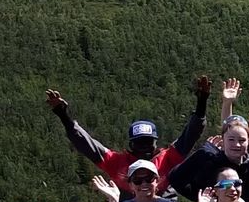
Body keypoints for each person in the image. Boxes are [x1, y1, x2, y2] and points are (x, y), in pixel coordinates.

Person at [44, 76, 210, 195]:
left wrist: (202, 103)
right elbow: (85, 143)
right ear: (131, 144)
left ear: (155, 142)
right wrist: (63, 116)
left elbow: (191, 134)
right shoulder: (116, 162)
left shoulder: (168, 158)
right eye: (139, 143)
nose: (143, 147)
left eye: (147, 142)